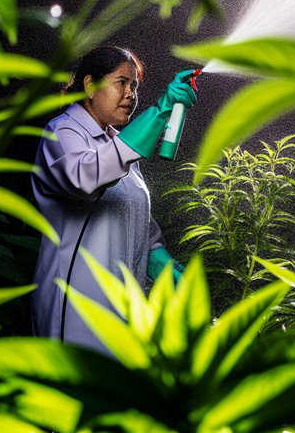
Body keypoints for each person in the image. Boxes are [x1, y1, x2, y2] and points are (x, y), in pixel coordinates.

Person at [30, 45, 197, 353]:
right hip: (74, 310)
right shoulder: (62, 133)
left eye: (134, 85)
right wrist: (161, 111)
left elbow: (137, 217)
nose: (131, 94)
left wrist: (158, 258)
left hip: (122, 312)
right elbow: (85, 177)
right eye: (122, 82)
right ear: (90, 85)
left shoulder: (119, 146)